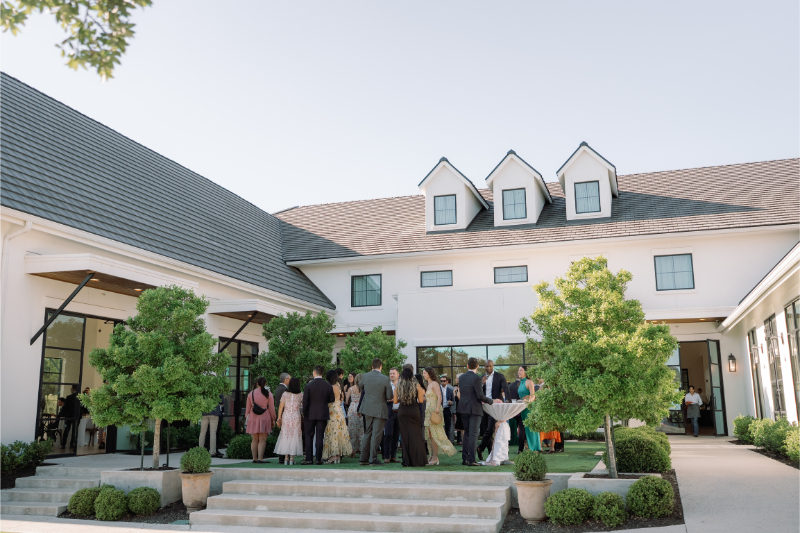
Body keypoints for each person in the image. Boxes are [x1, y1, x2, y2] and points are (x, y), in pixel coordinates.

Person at [458, 358, 501, 466]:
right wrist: (493, 401)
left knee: (467, 433)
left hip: (463, 408)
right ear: (477, 366)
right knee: (473, 434)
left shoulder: (461, 377)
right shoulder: (477, 378)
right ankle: (472, 460)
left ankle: (465, 459)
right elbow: (480, 396)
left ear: (467, 366)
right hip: (474, 409)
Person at [358, 358, 393, 466]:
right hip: (379, 409)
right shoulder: (385, 379)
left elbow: (360, 387)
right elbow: (389, 396)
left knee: (367, 433)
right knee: (376, 434)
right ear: (381, 366)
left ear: (372, 366)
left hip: (367, 408)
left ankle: (363, 459)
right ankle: (373, 459)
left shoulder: (365, 376)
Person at [476, 360, 511, 461]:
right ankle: (490, 453)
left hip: (494, 406)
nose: (488, 368)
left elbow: (506, 388)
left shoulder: (500, 376)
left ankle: (480, 448)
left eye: (490, 366)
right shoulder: (481, 377)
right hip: (483, 406)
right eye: (486, 366)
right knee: (486, 431)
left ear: (493, 366)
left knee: (490, 429)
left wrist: (508, 400)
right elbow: (478, 391)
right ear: (484, 367)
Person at [422, 367, 456, 465]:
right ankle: (432, 456)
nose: (423, 375)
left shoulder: (434, 384)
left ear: (429, 374)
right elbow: (428, 398)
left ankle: (435, 457)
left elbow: (439, 396)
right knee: (430, 434)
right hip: (428, 411)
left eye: (425, 373)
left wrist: (437, 408)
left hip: (435, 411)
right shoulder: (428, 385)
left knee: (434, 435)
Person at [394, 367, 427, 467]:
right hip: (413, 411)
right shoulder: (416, 385)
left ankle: (407, 461)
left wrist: (403, 399)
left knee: (405, 436)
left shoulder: (398, 386)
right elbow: (421, 401)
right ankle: (418, 460)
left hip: (402, 411)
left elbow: (395, 401)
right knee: (416, 435)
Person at [303, 365, 335, 465]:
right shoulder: (328, 385)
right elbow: (332, 399)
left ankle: (309, 459)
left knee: (309, 436)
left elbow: (305, 402)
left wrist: (304, 413)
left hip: (310, 413)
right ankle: (318, 458)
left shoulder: (308, 385)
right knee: (320, 436)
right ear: (322, 373)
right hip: (323, 413)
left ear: (314, 373)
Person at [322, 370, 352, 463]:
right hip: (339, 410)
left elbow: (327, 400)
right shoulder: (339, 386)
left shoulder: (330, 387)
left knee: (332, 433)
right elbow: (342, 399)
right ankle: (338, 455)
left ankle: (333, 456)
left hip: (332, 411)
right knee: (339, 432)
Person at [245, 377, 276, 463]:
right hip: (264, 417)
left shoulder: (251, 394)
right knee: (262, 439)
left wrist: (246, 417)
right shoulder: (268, 394)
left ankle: (254, 458)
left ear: (257, 384)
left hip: (253, 418)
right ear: (265, 384)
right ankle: (260, 458)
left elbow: (247, 409)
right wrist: (273, 418)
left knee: (254, 439)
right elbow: (271, 409)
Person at [274, 377, 303, 465]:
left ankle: (286, 458)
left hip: (286, 416)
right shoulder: (301, 394)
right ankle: (292, 458)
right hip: (296, 416)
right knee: (294, 436)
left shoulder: (285, 394)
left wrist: (279, 417)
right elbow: (303, 406)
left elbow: (281, 406)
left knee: (286, 435)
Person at [517, 366, 541, 451]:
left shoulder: (529, 382)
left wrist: (528, 402)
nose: (518, 372)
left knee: (530, 428)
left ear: (525, 372)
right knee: (523, 428)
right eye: (518, 370)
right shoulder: (520, 382)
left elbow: (533, 396)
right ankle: (521, 449)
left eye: (521, 370)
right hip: (522, 407)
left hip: (529, 408)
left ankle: (534, 448)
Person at [383, 367, 401, 463]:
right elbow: (382, 397)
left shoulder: (401, 385)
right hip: (389, 412)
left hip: (399, 412)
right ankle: (386, 456)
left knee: (396, 435)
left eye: (393, 373)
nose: (392, 375)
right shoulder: (386, 385)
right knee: (388, 434)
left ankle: (393, 456)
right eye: (390, 374)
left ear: (398, 374)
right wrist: (387, 400)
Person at [200, 393, 225, 458]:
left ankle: (200, 450)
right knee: (213, 433)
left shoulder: (203, 388)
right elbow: (222, 402)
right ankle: (212, 452)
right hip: (215, 412)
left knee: (202, 432)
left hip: (204, 412)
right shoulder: (218, 388)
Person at [346, 373, 363, 456]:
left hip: (353, 408)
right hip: (362, 409)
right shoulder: (364, 389)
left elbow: (346, 400)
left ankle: (352, 450)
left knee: (352, 430)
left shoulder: (351, 389)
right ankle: (362, 448)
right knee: (361, 430)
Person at [61, 385, 80, 451]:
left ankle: (63, 444)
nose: (70, 389)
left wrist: (62, 414)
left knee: (66, 430)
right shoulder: (80, 397)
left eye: (71, 388)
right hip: (76, 416)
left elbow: (65, 407)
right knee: (74, 431)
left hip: (69, 416)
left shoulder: (69, 397)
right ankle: (72, 444)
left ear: (73, 389)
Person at [440, 376, 455, 441]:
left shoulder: (450, 390)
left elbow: (454, 401)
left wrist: (451, 402)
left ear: (447, 382)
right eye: (441, 381)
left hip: (447, 409)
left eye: (444, 381)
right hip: (440, 409)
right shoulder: (438, 389)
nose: (442, 382)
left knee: (447, 427)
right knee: (440, 427)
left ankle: (448, 441)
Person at [453, 374, 464, 445]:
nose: (455, 380)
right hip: (460, 409)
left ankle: (464, 445)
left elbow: (459, 397)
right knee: (462, 429)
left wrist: (455, 392)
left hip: (461, 410)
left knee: (463, 429)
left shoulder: (461, 386)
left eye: (456, 378)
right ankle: (464, 445)